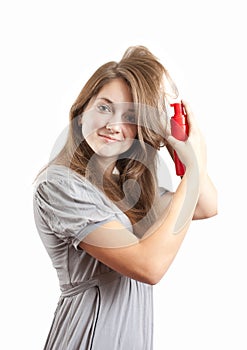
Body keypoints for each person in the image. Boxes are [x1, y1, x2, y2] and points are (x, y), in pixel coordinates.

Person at [33, 45, 217, 350]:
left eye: (130, 115)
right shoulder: (60, 185)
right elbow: (149, 266)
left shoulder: (128, 193)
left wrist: (175, 140)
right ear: (81, 114)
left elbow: (206, 204)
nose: (113, 125)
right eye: (104, 107)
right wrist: (194, 167)